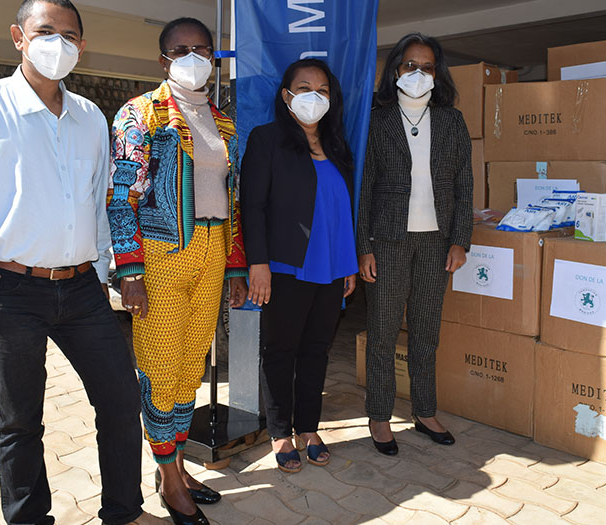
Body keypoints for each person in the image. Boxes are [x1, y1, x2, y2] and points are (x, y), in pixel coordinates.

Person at [0, 1, 165, 524]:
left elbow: (100, 204)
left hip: (83, 288)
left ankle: (125, 512)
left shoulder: (89, 117)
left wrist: (118, 271)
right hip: (8, 288)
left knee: (119, 399)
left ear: (81, 46)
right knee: (20, 420)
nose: (57, 43)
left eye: (69, 35)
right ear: (18, 36)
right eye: (45, 31)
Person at [107, 16, 248, 525]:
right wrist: (130, 268)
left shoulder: (224, 120)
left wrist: (235, 266)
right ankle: (169, 480)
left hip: (212, 250)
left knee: (192, 367)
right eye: (180, 49)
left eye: (202, 49)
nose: (193, 57)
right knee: (162, 368)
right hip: (161, 257)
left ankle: (178, 463)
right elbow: (122, 195)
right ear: (162, 58)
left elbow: (232, 198)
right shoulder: (139, 113)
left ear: (214, 57)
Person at [357, 33, 473, 455]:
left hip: (436, 242)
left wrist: (461, 240)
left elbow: (464, 185)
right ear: (395, 70)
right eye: (410, 65)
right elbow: (364, 188)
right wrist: (362, 247)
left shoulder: (451, 121)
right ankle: (379, 417)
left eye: (427, 66)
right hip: (386, 240)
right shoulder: (376, 119)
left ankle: (425, 411)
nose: (418, 74)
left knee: (426, 332)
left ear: (437, 72)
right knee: (383, 333)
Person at [240, 59, 358, 473]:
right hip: (285, 266)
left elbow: (342, 210)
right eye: (304, 87)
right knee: (281, 351)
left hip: (332, 267)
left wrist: (348, 265)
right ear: (286, 95)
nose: (314, 96)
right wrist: (258, 263)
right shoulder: (267, 139)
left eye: (322, 89)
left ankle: (308, 428)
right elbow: (251, 206)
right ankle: (280, 433)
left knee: (316, 351)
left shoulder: (338, 144)